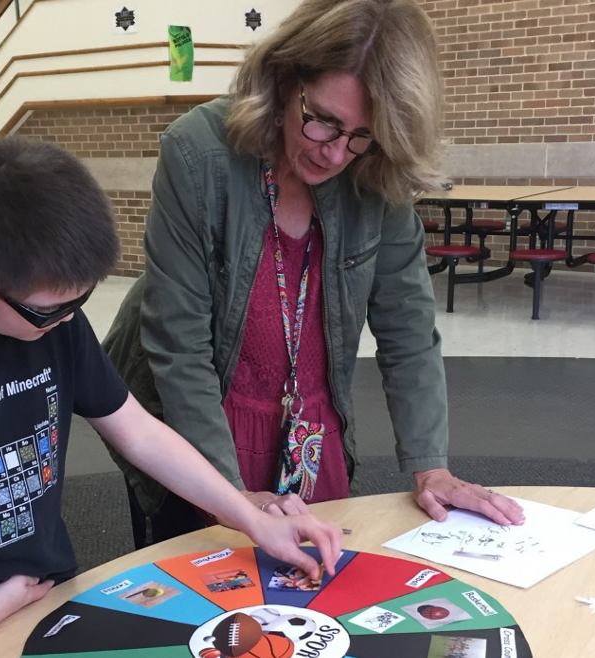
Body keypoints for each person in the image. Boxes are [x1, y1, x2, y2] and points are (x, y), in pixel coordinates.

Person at [0, 136, 342, 658]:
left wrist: (250, 515)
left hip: (45, 603)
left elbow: (137, 431)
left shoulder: (51, 321)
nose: (68, 321)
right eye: (49, 310)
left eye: (80, 300)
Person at [102, 0, 525, 549]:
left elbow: (409, 330)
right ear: (284, 78)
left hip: (306, 427)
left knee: (323, 597)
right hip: (196, 423)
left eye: (361, 135)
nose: (335, 153)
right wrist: (230, 496)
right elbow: (178, 347)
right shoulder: (197, 153)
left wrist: (431, 467)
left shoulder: (377, 173)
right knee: (200, 599)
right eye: (324, 120)